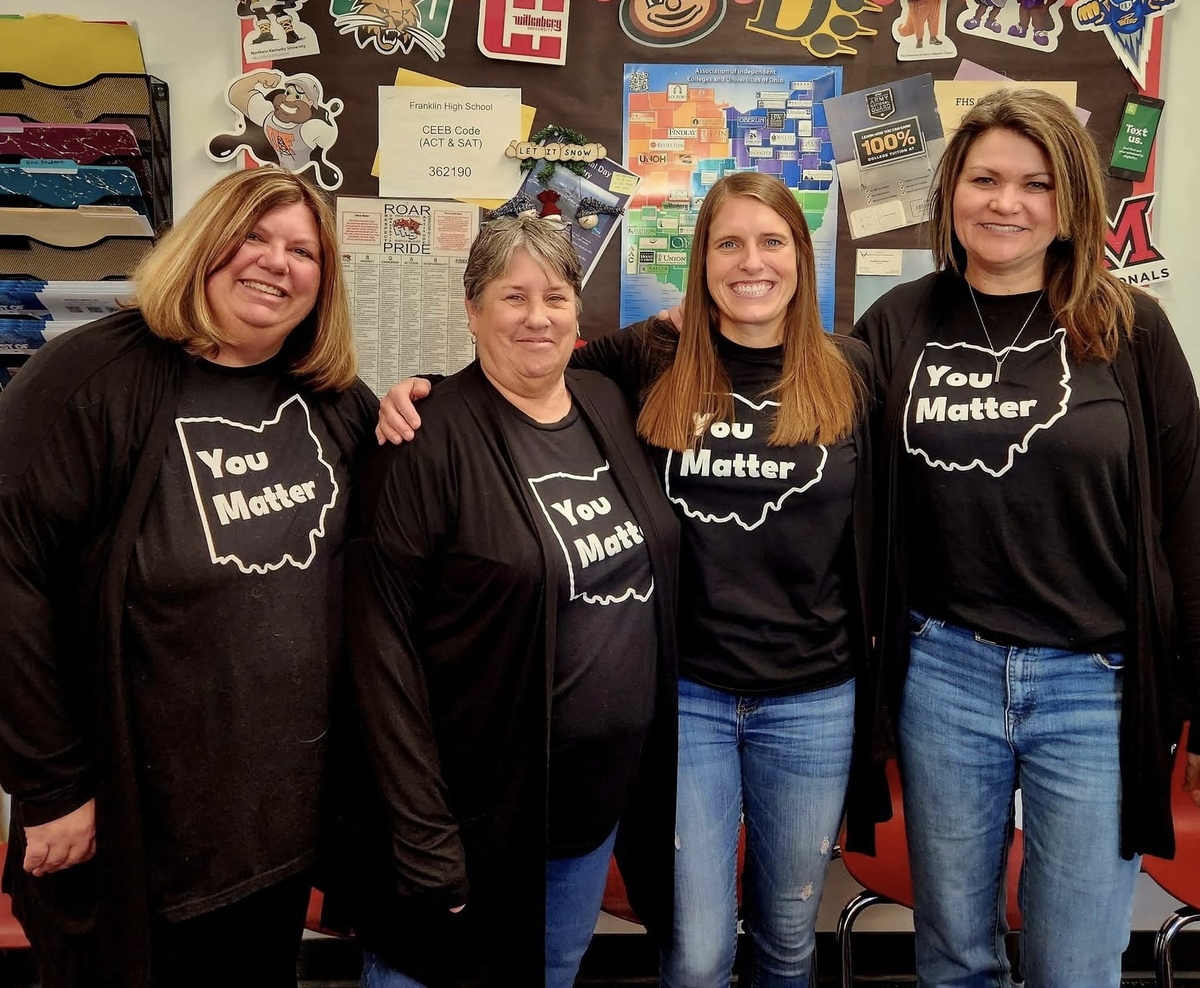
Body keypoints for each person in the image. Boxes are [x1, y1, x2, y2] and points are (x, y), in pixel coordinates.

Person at [378, 172, 887, 987]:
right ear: (701, 262)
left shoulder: (855, 371)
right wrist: (421, 391)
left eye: (771, 240)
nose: (750, 261)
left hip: (816, 698)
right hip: (688, 696)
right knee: (696, 949)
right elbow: (529, 365)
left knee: (791, 932)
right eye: (728, 242)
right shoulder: (651, 359)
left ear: (804, 255)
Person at [853, 88, 1200, 987]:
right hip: (945, 675)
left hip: (1097, 685)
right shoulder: (897, 325)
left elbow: (1189, 516)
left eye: (1035, 184)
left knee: (1075, 964)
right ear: (952, 194)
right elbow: (786, 405)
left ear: (1070, 202)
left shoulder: (1130, 329)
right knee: (953, 956)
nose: (1006, 203)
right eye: (985, 179)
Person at [0, 166, 379, 988]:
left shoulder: (332, 400)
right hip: (135, 831)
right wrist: (51, 783)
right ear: (203, 245)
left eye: (302, 250)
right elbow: (10, 578)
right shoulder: (88, 380)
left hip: (275, 826)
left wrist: (431, 399)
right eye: (253, 237)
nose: (276, 263)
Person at [342, 215, 680, 988]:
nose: (537, 316)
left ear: (578, 313)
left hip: (588, 810)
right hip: (466, 815)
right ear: (471, 309)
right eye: (512, 296)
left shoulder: (606, 404)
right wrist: (420, 832)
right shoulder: (424, 437)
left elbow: (693, 319)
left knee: (552, 971)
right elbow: (379, 649)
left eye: (556, 296)